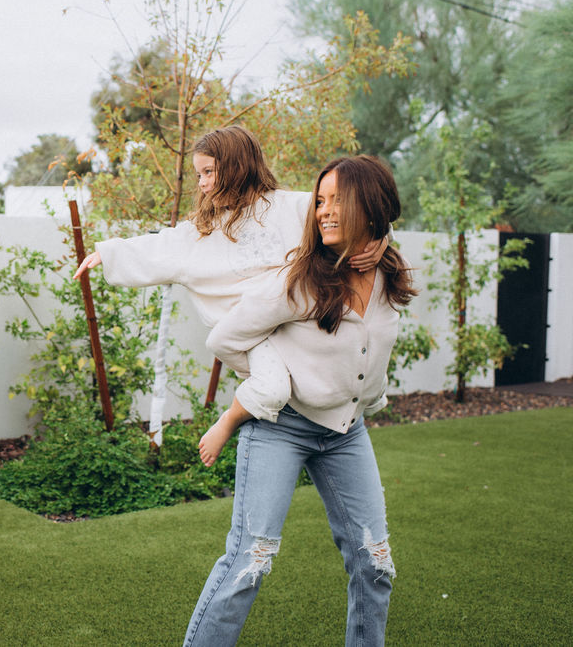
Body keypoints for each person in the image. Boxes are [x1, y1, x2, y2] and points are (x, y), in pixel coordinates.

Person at [182, 154, 416, 646]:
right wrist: (272, 379)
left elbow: (383, 239)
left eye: (338, 201)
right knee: (250, 562)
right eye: (320, 201)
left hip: (347, 432)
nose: (324, 211)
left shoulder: (388, 277)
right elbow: (225, 338)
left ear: (370, 208)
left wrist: (383, 239)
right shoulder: (302, 279)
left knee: (376, 564)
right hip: (279, 427)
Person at [73, 126, 386, 464]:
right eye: (198, 174)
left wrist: (380, 239)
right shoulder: (203, 232)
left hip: (300, 329)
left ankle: (372, 399)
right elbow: (161, 244)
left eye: (209, 171)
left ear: (238, 166)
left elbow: (353, 212)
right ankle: (232, 419)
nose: (203, 182)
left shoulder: (290, 207)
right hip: (254, 338)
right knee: (274, 388)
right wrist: (110, 252)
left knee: (361, 366)